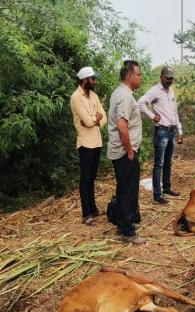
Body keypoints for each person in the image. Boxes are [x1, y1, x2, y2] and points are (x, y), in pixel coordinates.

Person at [107, 60, 146, 244]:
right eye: (138, 74)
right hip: (124, 152)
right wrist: (130, 151)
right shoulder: (125, 96)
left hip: (123, 150)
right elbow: (122, 126)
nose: (140, 78)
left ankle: (124, 222)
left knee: (125, 189)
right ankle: (127, 231)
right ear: (129, 76)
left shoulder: (121, 93)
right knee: (127, 191)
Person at [137, 66, 183, 204]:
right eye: (167, 78)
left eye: (171, 78)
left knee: (168, 162)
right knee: (159, 164)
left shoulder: (171, 91)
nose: (170, 80)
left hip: (171, 131)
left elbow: (174, 113)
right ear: (161, 77)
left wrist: (179, 130)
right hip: (161, 131)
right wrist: (152, 116)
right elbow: (140, 103)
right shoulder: (155, 91)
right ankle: (157, 195)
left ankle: (167, 188)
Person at [70, 66, 107, 226]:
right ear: (84, 80)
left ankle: (93, 209)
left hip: (97, 141)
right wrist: (94, 119)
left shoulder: (94, 96)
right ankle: (86, 214)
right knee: (85, 178)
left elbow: (103, 117)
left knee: (92, 178)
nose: (95, 81)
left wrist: (95, 120)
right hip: (85, 143)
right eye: (93, 79)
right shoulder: (76, 97)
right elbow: (86, 121)